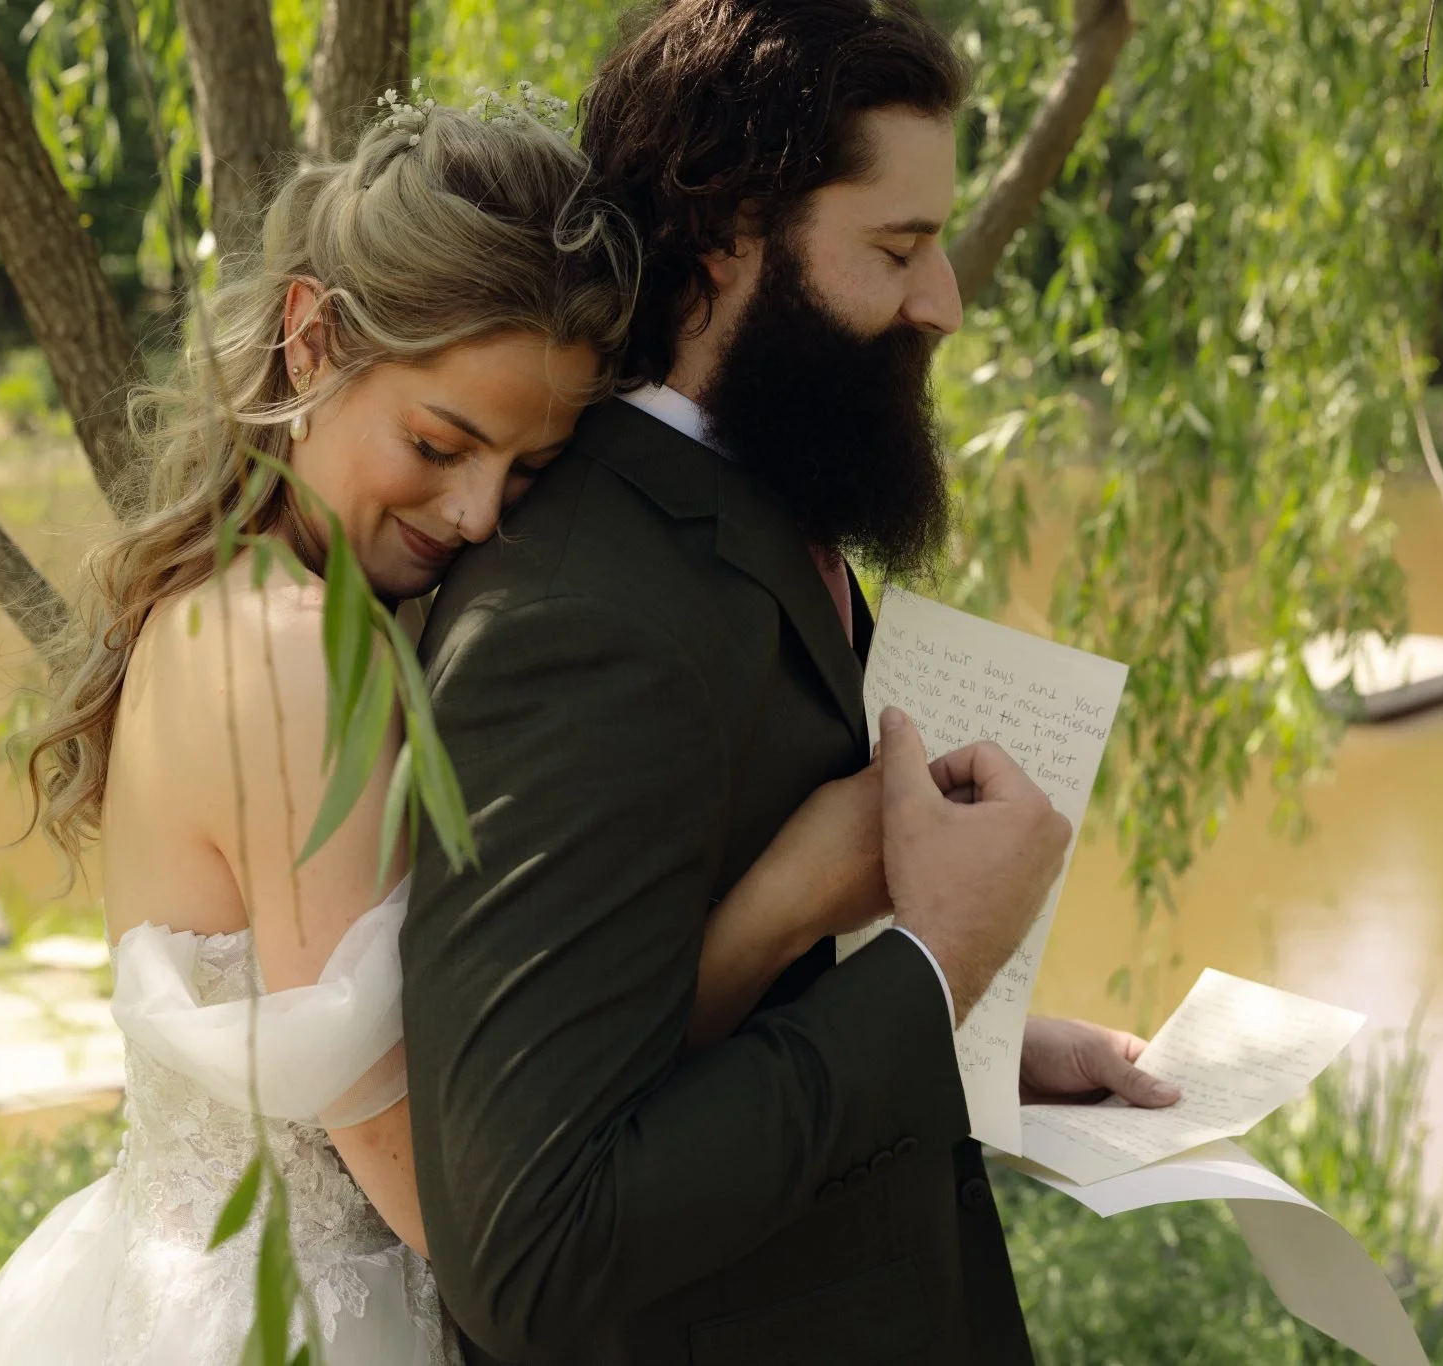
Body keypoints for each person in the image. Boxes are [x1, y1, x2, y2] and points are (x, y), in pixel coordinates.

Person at [0, 90, 951, 1366]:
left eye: (528, 470)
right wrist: (790, 902)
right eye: (439, 442)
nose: (478, 515)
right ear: (311, 342)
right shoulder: (298, 659)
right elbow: (468, 1203)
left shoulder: (239, 602)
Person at [399, 2, 1180, 1363]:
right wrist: (931, 972)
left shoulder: (747, 502)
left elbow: (679, 1013)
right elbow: (537, 1249)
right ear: (723, 229)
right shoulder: (582, 616)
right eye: (897, 248)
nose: (941, 303)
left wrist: (978, 1031)